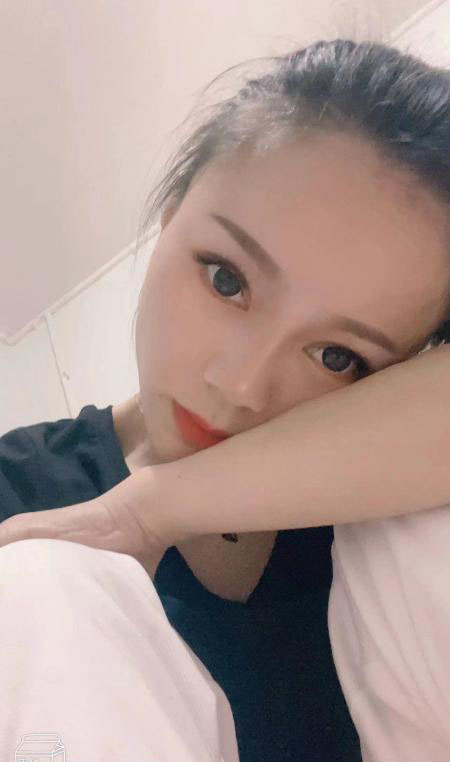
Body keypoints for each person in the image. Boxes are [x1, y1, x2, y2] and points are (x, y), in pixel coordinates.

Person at [0, 37, 449, 762]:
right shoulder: (17, 494)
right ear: (170, 215)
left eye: (338, 358)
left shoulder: (383, 520)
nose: (241, 387)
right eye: (226, 279)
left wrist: (153, 509)